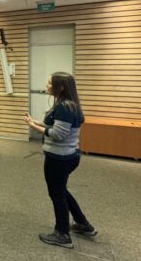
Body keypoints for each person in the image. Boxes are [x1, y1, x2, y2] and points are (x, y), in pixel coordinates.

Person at [23, 72, 96, 249]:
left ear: (60, 87)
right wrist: (37, 122)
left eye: (50, 82)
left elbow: (58, 134)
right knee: (61, 190)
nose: (47, 85)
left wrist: (33, 127)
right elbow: (56, 124)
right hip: (68, 156)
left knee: (57, 194)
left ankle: (62, 233)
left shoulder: (65, 107)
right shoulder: (69, 105)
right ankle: (82, 223)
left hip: (59, 158)